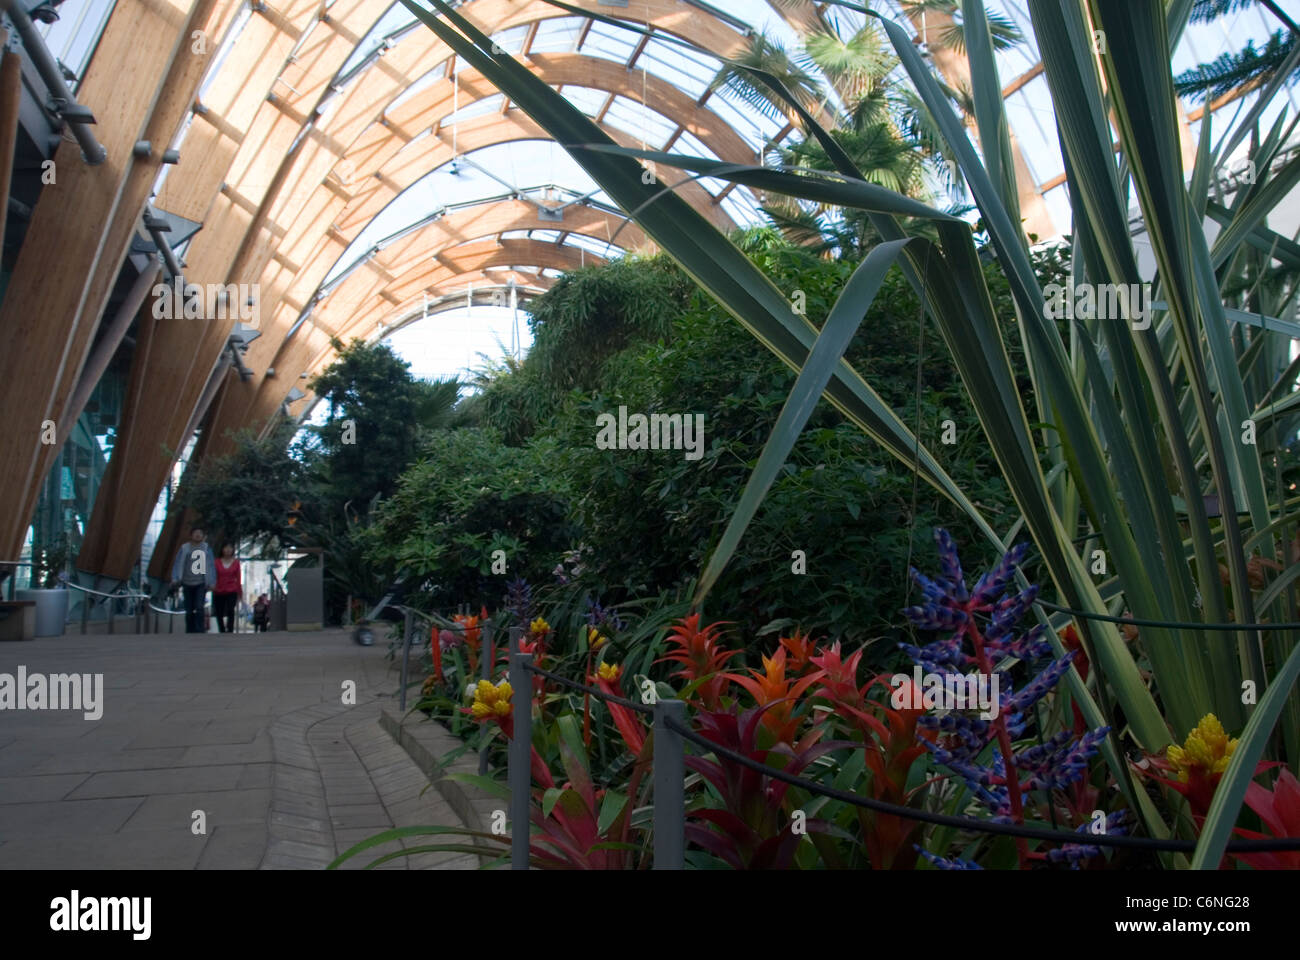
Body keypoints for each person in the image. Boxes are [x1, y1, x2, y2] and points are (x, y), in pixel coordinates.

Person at [170, 526, 216, 634]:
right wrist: (175, 578)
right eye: (195, 533)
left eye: (200, 533)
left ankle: (200, 630)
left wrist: (212, 582)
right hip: (187, 582)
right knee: (189, 610)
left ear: (203, 536)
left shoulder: (206, 548)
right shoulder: (184, 548)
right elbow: (177, 564)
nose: (198, 535)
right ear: (191, 535)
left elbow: (211, 566)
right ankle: (189, 631)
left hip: (201, 582)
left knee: (199, 607)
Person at [213, 543, 241, 634]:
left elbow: (238, 578)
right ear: (222, 549)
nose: (228, 550)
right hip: (218, 589)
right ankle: (221, 629)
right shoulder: (216, 562)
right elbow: (213, 576)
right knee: (219, 612)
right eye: (226, 547)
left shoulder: (236, 563)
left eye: (230, 548)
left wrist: (240, 592)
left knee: (230, 609)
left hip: (232, 590)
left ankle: (230, 630)